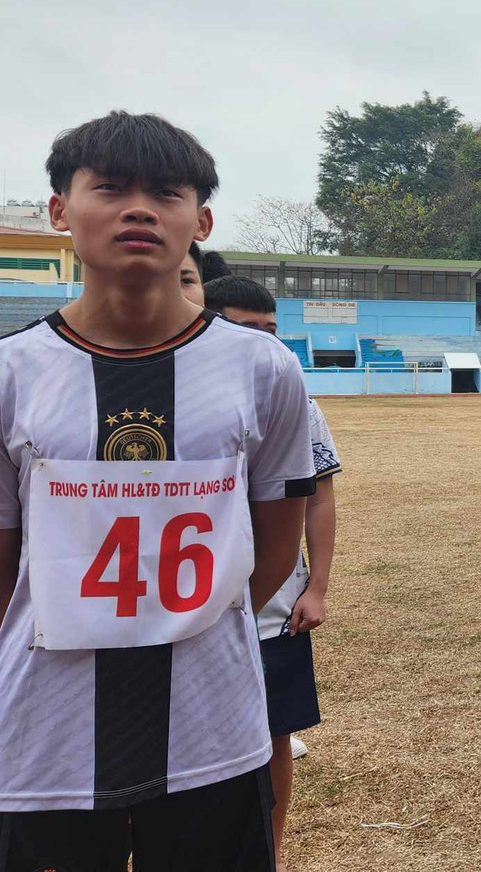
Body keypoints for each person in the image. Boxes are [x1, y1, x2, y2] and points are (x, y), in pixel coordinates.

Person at [0, 111, 314, 871]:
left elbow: (272, 549)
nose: (138, 208)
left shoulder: (264, 370)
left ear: (199, 219)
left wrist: (182, 615)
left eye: (165, 192)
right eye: (108, 187)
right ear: (59, 211)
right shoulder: (12, 373)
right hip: (46, 738)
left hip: (214, 726)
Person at [204, 274, 344, 870]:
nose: (264, 345)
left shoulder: (300, 404)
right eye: (245, 330)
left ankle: (272, 853)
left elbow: (319, 496)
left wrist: (316, 586)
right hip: (196, 613)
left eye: (271, 332)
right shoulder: (184, 399)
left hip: (275, 613)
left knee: (275, 738)